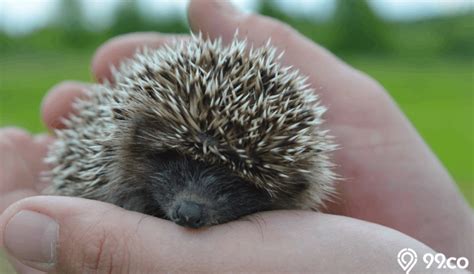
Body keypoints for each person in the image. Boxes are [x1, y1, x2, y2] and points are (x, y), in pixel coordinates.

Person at [0, 0, 472, 273]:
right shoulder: (126, 140)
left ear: (294, 191)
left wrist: (443, 255)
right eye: (176, 165)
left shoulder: (298, 189)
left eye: (236, 186)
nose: (190, 204)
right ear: (139, 140)